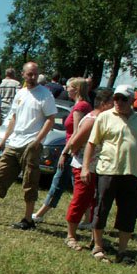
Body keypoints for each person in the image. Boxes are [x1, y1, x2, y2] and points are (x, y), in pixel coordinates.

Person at [0, 62, 56, 229]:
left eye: (35, 74)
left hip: (31, 145)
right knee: (0, 174)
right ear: (23, 74)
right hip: (14, 143)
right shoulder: (20, 93)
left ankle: (28, 220)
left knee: (29, 181)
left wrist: (37, 141)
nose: (33, 77)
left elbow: (50, 120)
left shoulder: (45, 94)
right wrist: (4, 140)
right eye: (30, 74)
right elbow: (14, 118)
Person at [81, 84, 137, 263]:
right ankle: (98, 247)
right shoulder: (104, 117)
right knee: (102, 208)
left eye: (123, 99)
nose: (118, 102)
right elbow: (91, 143)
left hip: (131, 173)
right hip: (107, 171)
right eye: (116, 98)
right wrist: (85, 167)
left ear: (132, 100)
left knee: (128, 212)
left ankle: (123, 251)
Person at [58, 88, 114, 251]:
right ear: (103, 104)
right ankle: (70, 236)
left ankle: (94, 238)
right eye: (112, 103)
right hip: (84, 167)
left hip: (99, 168)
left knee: (97, 203)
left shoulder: (103, 119)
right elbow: (75, 142)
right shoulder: (92, 120)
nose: (115, 106)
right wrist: (79, 160)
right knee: (80, 200)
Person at [32, 77, 92, 223]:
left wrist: (65, 153)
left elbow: (77, 132)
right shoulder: (83, 105)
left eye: (69, 87)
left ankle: (40, 214)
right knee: (78, 186)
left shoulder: (80, 107)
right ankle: (88, 218)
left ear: (76, 89)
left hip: (73, 150)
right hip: (75, 150)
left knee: (58, 182)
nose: (66, 89)